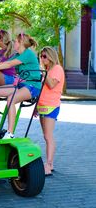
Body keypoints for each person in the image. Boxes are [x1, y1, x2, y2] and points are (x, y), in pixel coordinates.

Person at [0, 33, 41, 138]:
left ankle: (10, 133)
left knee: (11, 99)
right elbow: (0, 65)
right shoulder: (17, 55)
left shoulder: (28, 53)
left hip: (32, 86)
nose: (14, 43)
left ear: (21, 43)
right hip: (21, 85)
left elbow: (9, 64)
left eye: (16, 41)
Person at [37, 47, 65, 176]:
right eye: (41, 56)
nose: (42, 59)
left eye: (44, 56)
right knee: (45, 136)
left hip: (51, 105)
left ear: (51, 56)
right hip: (42, 105)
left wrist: (44, 72)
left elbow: (52, 85)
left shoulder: (57, 69)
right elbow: (42, 89)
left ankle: (48, 164)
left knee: (49, 136)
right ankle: (50, 164)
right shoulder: (47, 70)